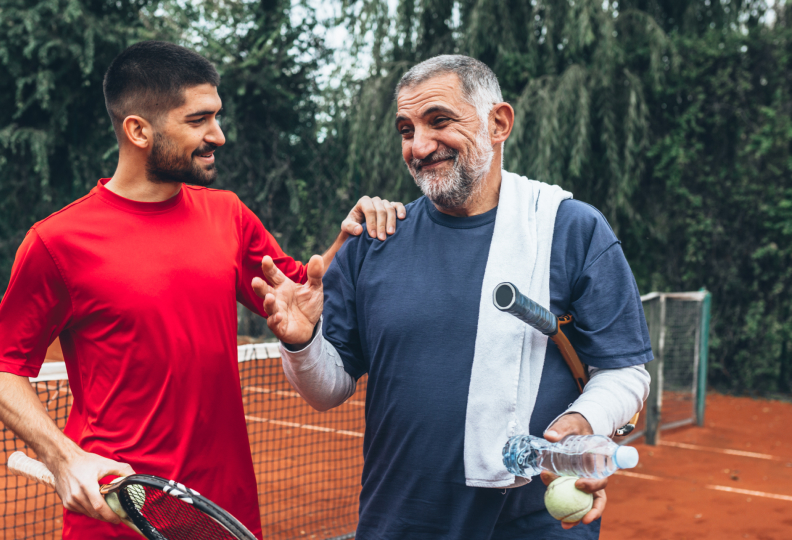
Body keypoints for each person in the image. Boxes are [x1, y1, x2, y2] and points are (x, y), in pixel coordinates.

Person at [0, 40, 405, 540]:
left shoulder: (229, 216)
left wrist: (348, 242)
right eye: (199, 120)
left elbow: (298, 294)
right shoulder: (57, 242)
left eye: (216, 117)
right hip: (119, 515)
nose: (218, 135)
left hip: (224, 514)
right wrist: (64, 457)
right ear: (138, 130)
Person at [251, 55, 652, 539]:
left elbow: (625, 372)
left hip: (534, 523)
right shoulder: (374, 241)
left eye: (439, 121)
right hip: (400, 520)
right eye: (406, 130)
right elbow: (326, 389)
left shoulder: (572, 230)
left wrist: (582, 420)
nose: (419, 146)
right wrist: (301, 341)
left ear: (498, 123)